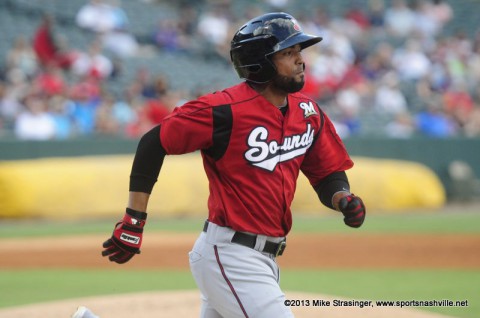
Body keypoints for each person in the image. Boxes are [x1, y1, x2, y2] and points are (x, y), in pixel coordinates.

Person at [101, 12, 366, 317]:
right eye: (288, 52)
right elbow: (153, 142)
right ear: (260, 60)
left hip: (262, 257)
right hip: (231, 256)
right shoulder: (223, 110)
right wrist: (134, 221)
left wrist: (342, 197)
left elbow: (326, 173)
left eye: (299, 51)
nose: (300, 60)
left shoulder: (308, 111)